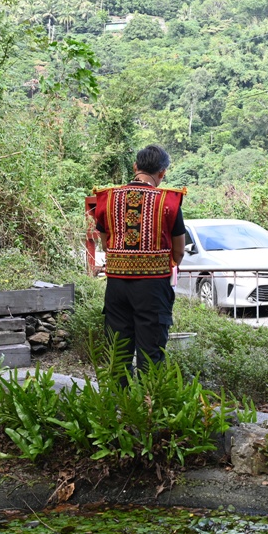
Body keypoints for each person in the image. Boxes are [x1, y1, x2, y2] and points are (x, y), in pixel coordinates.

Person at [94, 145, 186, 375]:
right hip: (153, 288)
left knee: (119, 351)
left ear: (135, 167)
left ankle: (120, 405)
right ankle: (149, 405)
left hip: (116, 286)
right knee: (151, 353)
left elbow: (105, 244)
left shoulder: (108, 198)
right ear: (162, 173)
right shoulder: (169, 201)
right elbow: (179, 252)